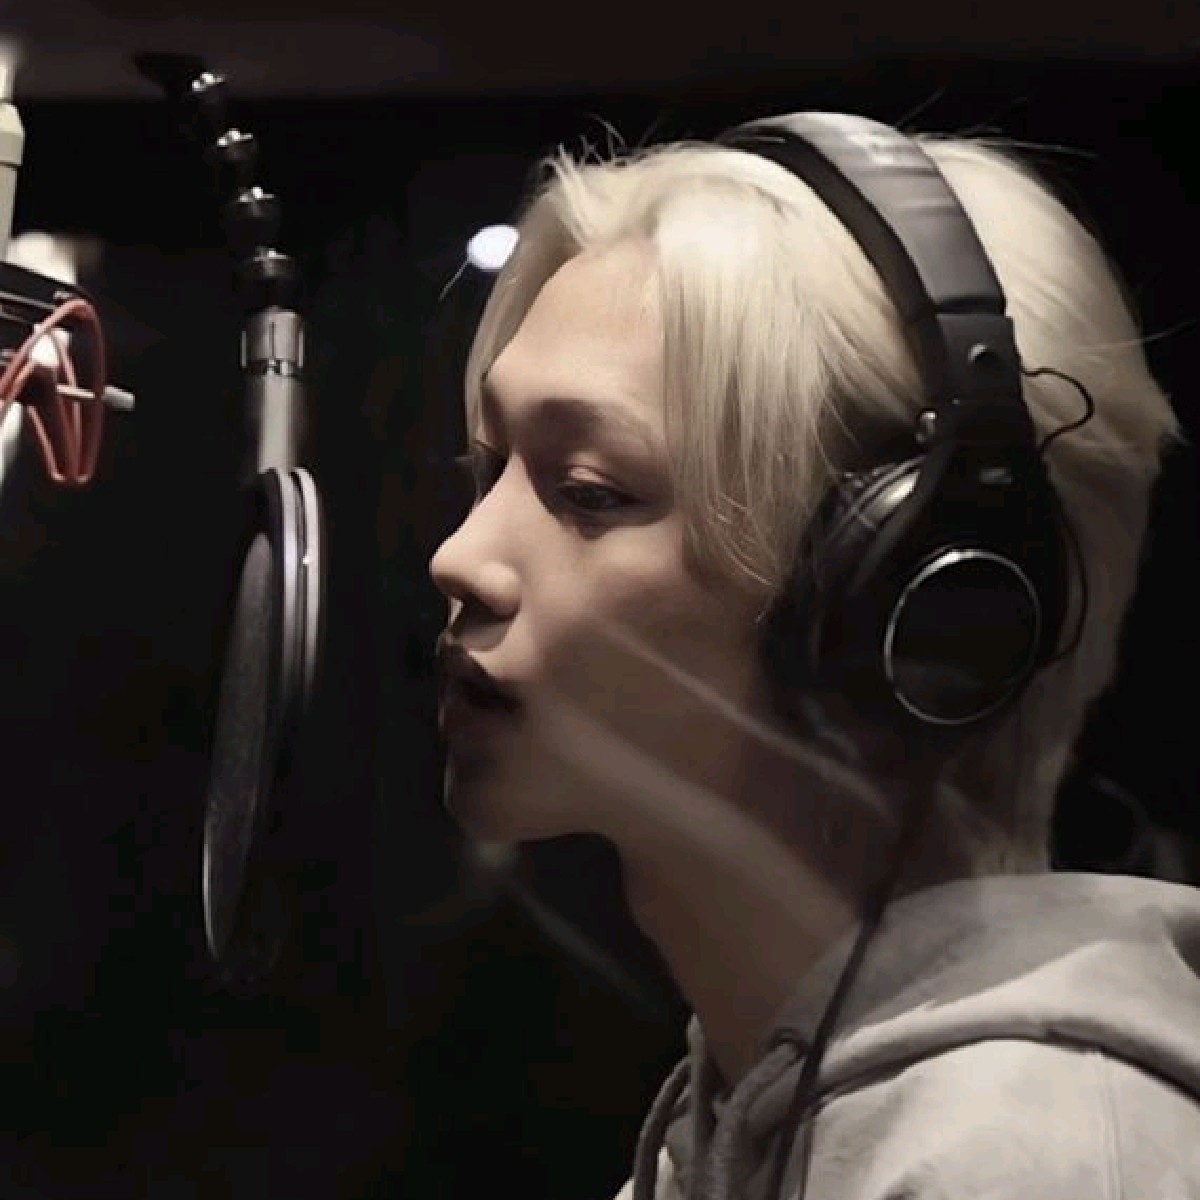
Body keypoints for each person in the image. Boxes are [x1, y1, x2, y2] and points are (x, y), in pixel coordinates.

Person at [427, 110, 1200, 1199]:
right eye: (489, 465)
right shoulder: (735, 1123)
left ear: (905, 600)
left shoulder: (1027, 1161)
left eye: (590, 492)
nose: (460, 558)